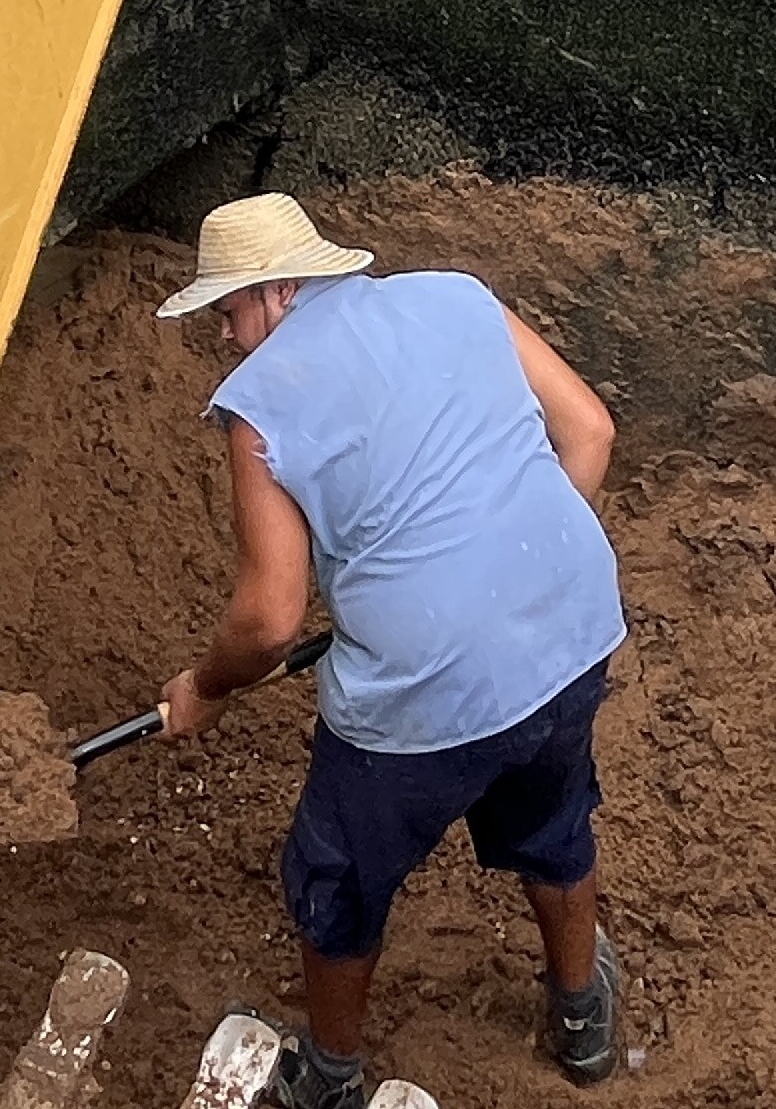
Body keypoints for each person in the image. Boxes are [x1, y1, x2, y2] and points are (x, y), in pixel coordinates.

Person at [156, 194, 630, 1106]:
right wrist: (513, 570)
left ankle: (330, 1077)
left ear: (280, 290)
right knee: (553, 822)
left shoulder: (258, 411)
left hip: (424, 696)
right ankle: (581, 1017)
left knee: (335, 875)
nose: (224, 335)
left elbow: (269, 617)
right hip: (572, 632)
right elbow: (591, 433)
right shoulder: (457, 295)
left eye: (227, 311)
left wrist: (207, 687)